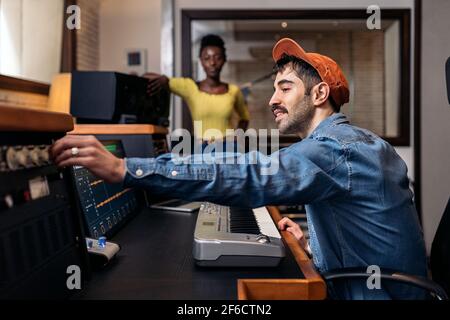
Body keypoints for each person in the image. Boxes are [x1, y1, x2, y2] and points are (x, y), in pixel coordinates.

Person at [51, 38, 427, 300]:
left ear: (319, 95)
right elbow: (364, 225)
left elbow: (251, 174)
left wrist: (125, 169)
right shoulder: (358, 143)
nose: (272, 99)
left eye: (285, 88)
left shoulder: (335, 151)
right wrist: (314, 241)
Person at [144, 34, 249, 142]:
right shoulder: (190, 87)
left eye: (218, 58)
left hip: (229, 148)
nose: (212, 63)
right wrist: (164, 79)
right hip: (202, 148)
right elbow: (146, 76)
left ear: (224, 60)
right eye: (207, 58)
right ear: (201, 61)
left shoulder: (233, 90)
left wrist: (237, 138)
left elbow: (245, 117)